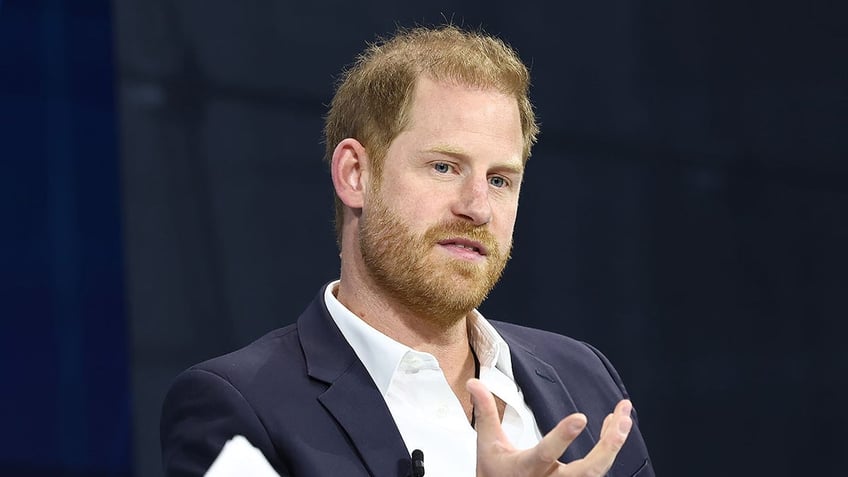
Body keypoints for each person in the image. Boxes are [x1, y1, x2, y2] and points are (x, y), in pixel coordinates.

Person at [160, 25, 654, 477]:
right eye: (444, 167)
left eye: (500, 179)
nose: (478, 207)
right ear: (356, 174)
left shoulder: (584, 376)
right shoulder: (240, 407)